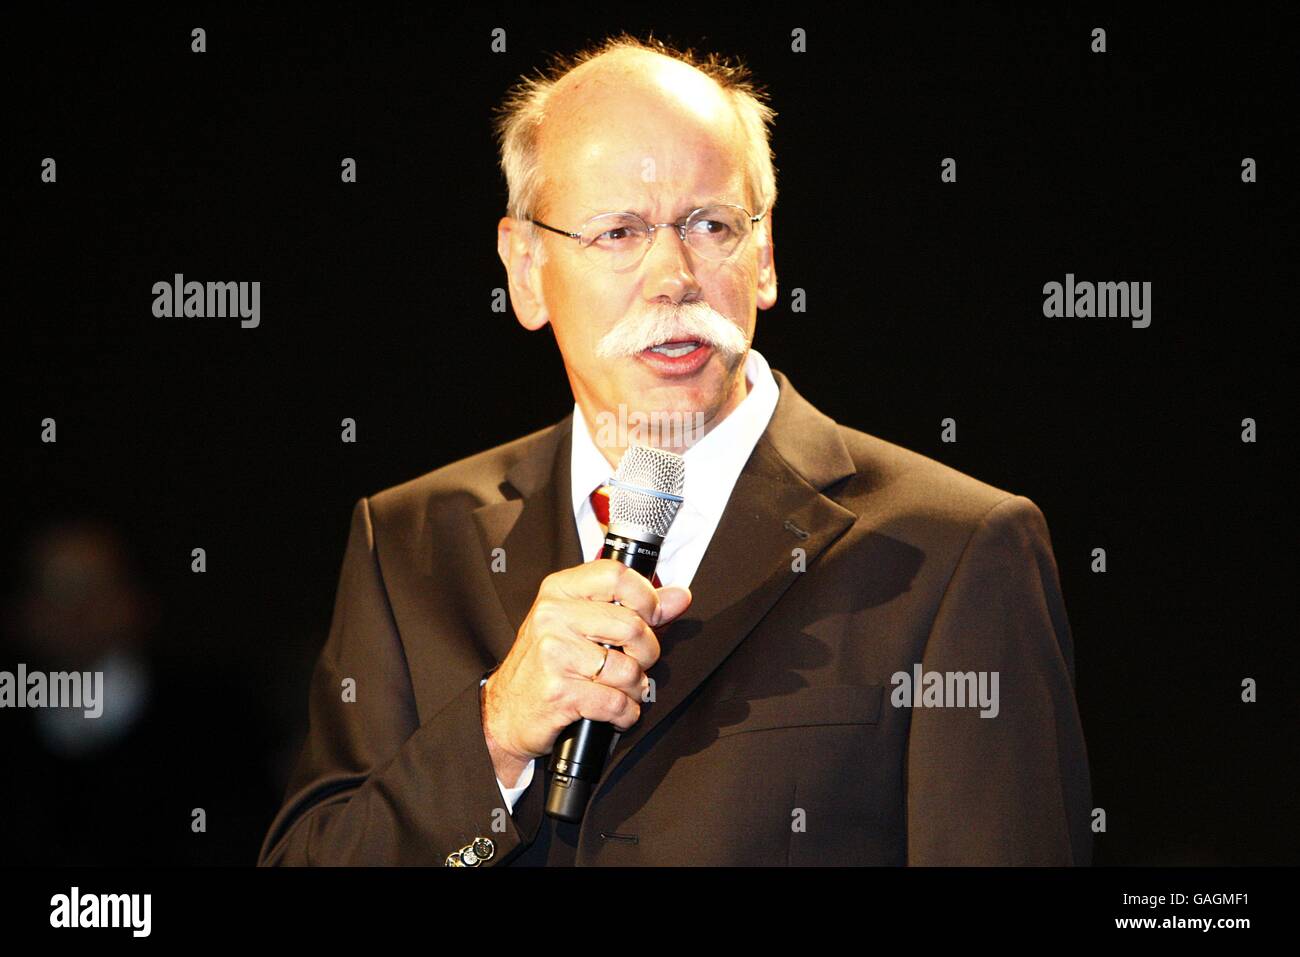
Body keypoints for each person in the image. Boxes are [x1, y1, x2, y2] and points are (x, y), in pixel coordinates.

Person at [258, 33, 1092, 866]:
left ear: (763, 257)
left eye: (709, 224)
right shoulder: (407, 543)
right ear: (525, 267)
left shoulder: (953, 551)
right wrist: (495, 733)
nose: (673, 276)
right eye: (618, 232)